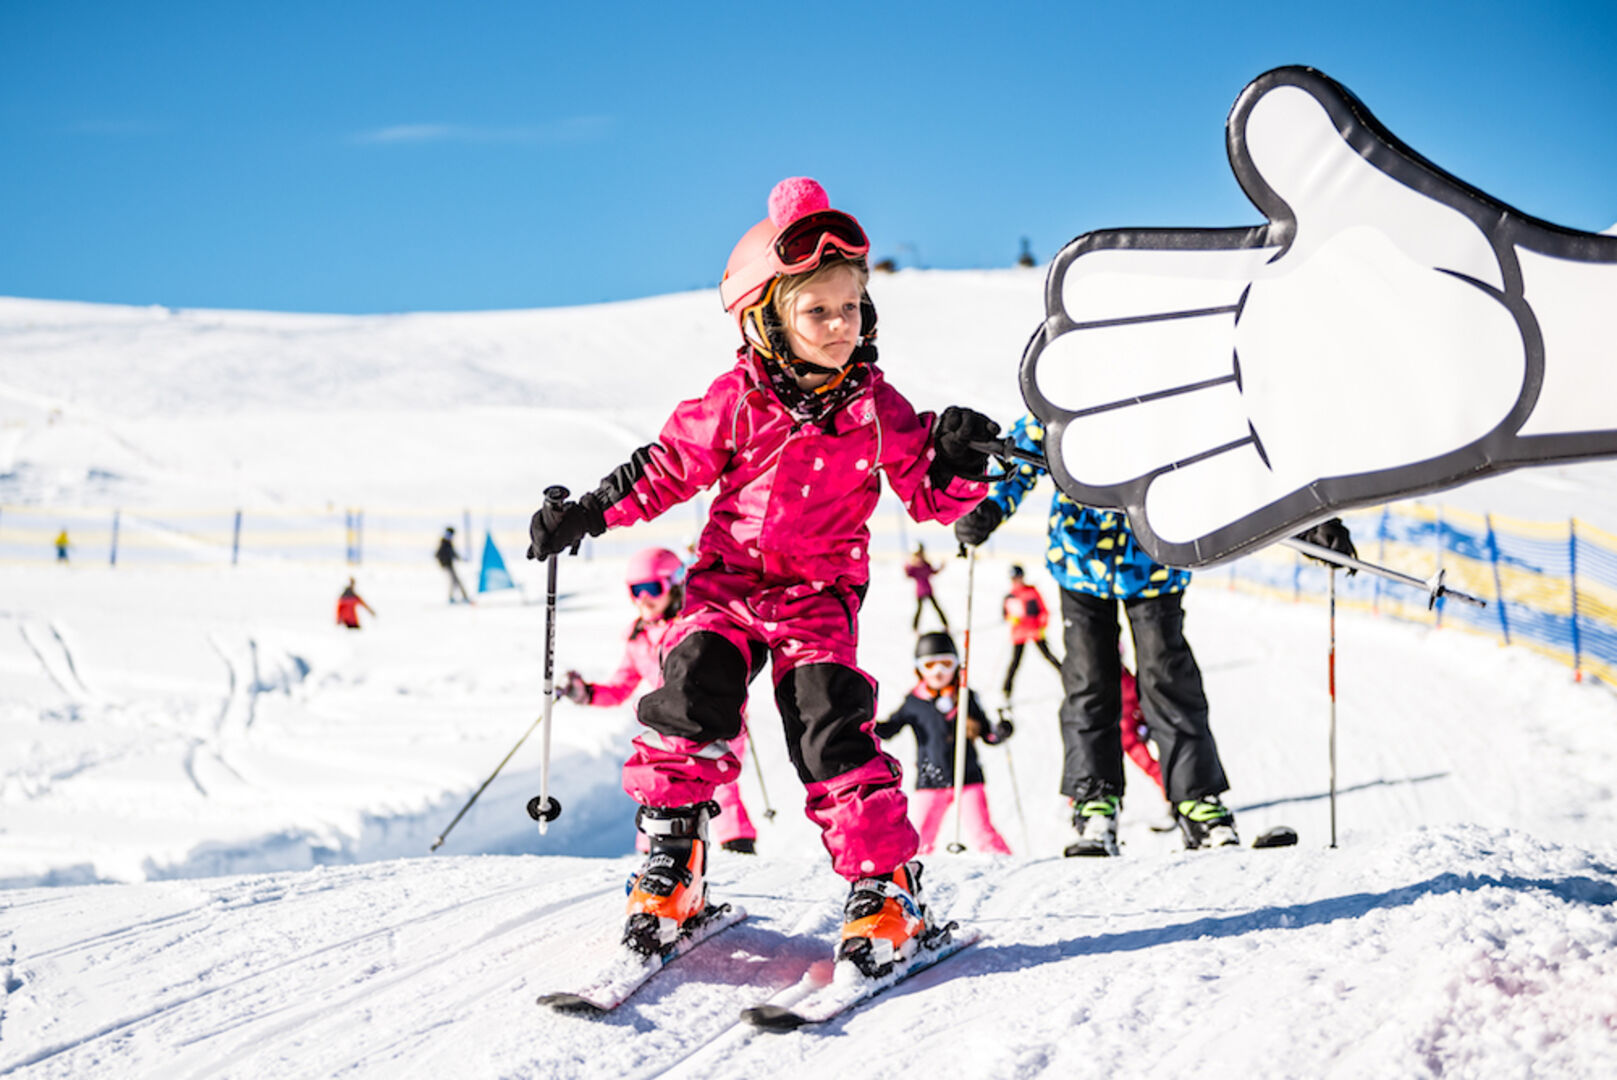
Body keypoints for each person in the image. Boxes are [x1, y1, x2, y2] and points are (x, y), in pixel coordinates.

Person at [527, 177, 1000, 972]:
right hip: (726, 587)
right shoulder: (736, 400)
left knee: (829, 729)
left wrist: (954, 461)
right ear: (766, 318)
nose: (839, 324)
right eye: (817, 309)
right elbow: (666, 467)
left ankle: (885, 890)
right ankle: (673, 870)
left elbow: (930, 495)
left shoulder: (877, 405)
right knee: (689, 698)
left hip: (818, 599)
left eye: (850, 307)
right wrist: (588, 512)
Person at [956, 414, 1356, 856]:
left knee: (1168, 680)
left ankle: (1198, 803)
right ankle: (1094, 805)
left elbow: (1235, 462)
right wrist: (988, 506)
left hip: (1156, 558)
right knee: (1089, 682)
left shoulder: (1171, 389)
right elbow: (1024, 452)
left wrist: (1305, 520)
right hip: (1080, 561)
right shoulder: (1069, 386)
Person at [562, 547, 759, 854]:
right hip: (668, 723)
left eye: (652, 588)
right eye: (635, 590)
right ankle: (652, 852)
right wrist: (586, 693)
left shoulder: (694, 626)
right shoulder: (637, 638)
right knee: (658, 782)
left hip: (711, 718)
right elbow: (620, 687)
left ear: (675, 583)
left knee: (719, 784)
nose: (644, 598)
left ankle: (739, 848)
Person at [875, 631, 1013, 855]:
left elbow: (989, 735)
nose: (939, 672)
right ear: (919, 668)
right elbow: (890, 729)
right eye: (930, 665)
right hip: (931, 780)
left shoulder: (966, 697)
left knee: (982, 831)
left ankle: (1005, 865)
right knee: (920, 836)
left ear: (957, 666)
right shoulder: (914, 702)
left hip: (967, 778)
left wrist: (1001, 731)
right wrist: (867, 724)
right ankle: (912, 873)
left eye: (946, 664)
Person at [1001, 565, 1061, 700]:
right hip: (1019, 633)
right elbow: (1005, 615)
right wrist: (1011, 618)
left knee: (1049, 656)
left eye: (1018, 577)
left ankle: (1067, 677)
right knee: (1015, 662)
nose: (1017, 580)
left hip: (1035, 631)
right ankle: (1006, 689)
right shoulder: (1010, 596)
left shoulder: (1032, 592)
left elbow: (1043, 611)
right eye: (1014, 578)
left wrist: (1042, 625)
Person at [905, 543, 949, 630]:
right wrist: (907, 565)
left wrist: (941, 567)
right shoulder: (913, 568)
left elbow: (933, 572)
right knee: (919, 610)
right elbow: (908, 574)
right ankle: (915, 628)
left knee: (936, 607)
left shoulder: (926, 565)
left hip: (928, 590)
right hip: (919, 592)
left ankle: (945, 625)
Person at [435, 527, 473, 605]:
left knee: (455, 581)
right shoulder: (444, 543)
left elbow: (453, 554)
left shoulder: (447, 543)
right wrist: (444, 562)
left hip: (449, 565)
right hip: (447, 565)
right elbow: (438, 555)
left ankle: (459, 597)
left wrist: (461, 559)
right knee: (455, 581)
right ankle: (459, 597)